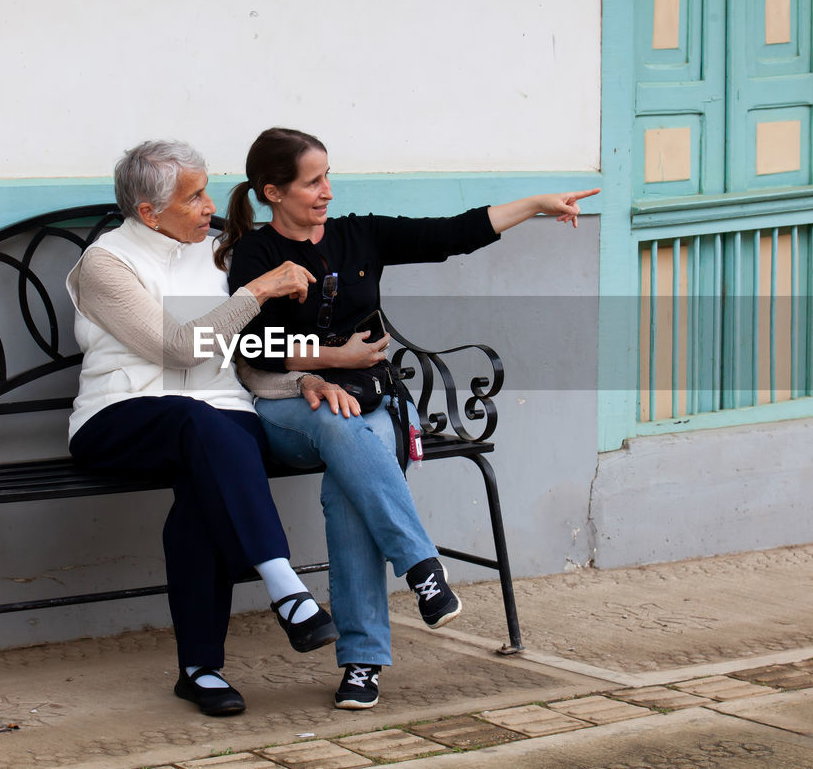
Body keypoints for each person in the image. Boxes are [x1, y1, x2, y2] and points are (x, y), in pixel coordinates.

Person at [219, 127, 599, 710]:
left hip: (369, 400)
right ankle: (421, 565)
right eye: (312, 181)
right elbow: (245, 346)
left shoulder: (359, 234)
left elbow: (453, 234)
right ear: (273, 192)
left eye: (328, 176)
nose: (326, 190)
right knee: (334, 425)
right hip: (290, 409)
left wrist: (536, 206)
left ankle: (362, 665)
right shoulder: (257, 255)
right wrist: (329, 361)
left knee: (349, 484)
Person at [66, 139, 357, 717]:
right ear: (149, 212)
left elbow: (248, 348)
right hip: (122, 416)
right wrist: (256, 291)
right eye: (193, 196)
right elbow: (176, 349)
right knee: (201, 423)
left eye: (206, 191)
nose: (208, 206)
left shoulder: (221, 253)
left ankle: (201, 670)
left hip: (219, 423)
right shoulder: (108, 263)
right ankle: (286, 589)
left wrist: (301, 378)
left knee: (209, 470)